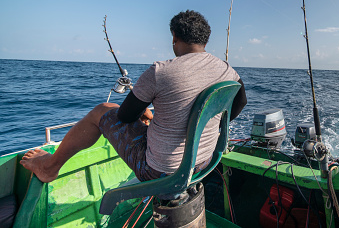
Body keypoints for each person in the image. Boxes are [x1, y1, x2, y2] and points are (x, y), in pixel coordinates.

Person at [20, 10, 247, 183]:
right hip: (204, 162)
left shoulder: (160, 71)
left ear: (174, 37)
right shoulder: (228, 71)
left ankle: (49, 167)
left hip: (161, 171)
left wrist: (143, 113)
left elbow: (126, 117)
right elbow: (240, 102)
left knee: (101, 111)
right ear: (205, 40)